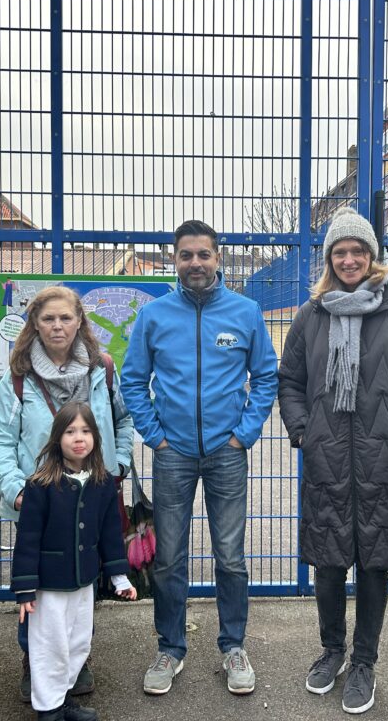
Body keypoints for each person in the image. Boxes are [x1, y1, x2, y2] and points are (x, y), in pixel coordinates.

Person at [277, 207, 388, 714]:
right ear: (330, 259)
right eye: (340, 252)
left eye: (358, 251)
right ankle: (331, 651)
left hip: (382, 458)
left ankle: (365, 661)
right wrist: (304, 430)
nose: (349, 259)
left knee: (374, 563)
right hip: (326, 457)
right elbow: (290, 381)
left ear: (372, 256)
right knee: (329, 563)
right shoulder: (311, 315)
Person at [120, 219, 278, 696]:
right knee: (169, 560)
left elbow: (266, 377)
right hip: (174, 456)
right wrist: (155, 437)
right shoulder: (154, 316)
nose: (195, 263)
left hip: (227, 455)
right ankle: (170, 649)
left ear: (218, 257)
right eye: (186, 254)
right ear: (174, 259)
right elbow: (133, 381)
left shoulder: (246, 312)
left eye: (203, 254)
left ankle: (233, 647)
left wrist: (242, 436)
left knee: (230, 558)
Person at [0, 285, 134, 704]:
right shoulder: (18, 378)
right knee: (38, 589)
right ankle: (34, 661)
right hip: (39, 508)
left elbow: (123, 422)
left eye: (65, 317)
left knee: (82, 585)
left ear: (79, 322)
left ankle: (75, 659)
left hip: (89, 499)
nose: (57, 326)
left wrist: (118, 465)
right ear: (34, 324)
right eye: (47, 318)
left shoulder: (102, 371)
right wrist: (19, 493)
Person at [11, 402, 138, 721]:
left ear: (96, 436)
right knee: (49, 648)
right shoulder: (40, 484)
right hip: (48, 588)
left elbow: (111, 534)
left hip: (84, 584)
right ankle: (48, 709)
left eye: (85, 430)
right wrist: (25, 590)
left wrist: (119, 577)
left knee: (78, 644)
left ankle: (63, 699)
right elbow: (27, 539)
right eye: (70, 431)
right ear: (57, 439)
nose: (78, 438)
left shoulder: (103, 483)